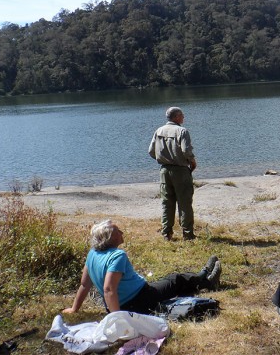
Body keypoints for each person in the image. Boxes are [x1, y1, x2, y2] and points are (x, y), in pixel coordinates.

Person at [63, 220, 221, 315]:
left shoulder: (92, 254)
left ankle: (201, 279)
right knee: (175, 279)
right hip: (138, 301)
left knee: (169, 284)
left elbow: (84, 284)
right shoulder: (117, 256)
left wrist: (74, 308)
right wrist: (119, 320)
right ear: (110, 237)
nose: (122, 232)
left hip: (126, 302)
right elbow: (109, 290)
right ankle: (206, 280)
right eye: (118, 231)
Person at [148, 106, 197, 240]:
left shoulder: (159, 131)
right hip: (180, 170)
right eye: (182, 115)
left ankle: (167, 234)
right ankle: (188, 234)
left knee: (167, 203)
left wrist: (163, 159)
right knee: (185, 203)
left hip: (164, 170)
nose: (183, 118)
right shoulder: (182, 131)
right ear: (175, 117)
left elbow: (151, 151)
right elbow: (186, 150)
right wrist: (192, 162)